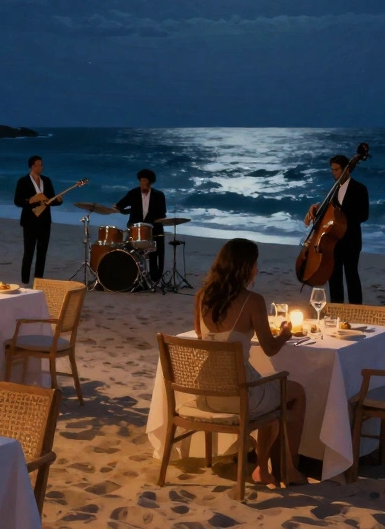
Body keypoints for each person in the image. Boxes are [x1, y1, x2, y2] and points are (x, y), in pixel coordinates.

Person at [193, 238, 306, 486]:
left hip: (205, 392)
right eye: (255, 263)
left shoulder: (201, 297)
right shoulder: (252, 301)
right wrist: (285, 334)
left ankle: (267, 468)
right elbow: (270, 349)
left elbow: (203, 339)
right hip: (238, 393)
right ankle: (285, 468)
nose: (257, 269)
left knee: (272, 397)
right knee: (295, 392)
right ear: (245, 267)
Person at [304, 155, 369, 305]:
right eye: (332, 170)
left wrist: (341, 214)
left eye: (337, 170)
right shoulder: (333, 190)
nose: (334, 173)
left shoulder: (359, 188)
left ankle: (355, 309)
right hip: (333, 240)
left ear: (346, 168)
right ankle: (336, 308)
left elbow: (364, 215)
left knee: (351, 275)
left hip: (351, 240)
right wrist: (316, 208)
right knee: (334, 276)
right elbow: (328, 212)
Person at [13, 155, 62, 285]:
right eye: (39, 165)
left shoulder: (46, 180)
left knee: (42, 252)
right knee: (29, 251)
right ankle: (24, 280)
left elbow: (51, 199)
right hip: (29, 221)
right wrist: (29, 200)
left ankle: (38, 280)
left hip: (45, 221)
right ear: (32, 166)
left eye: (42, 165)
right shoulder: (23, 181)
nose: (41, 167)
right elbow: (17, 200)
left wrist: (58, 200)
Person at [116, 168, 166, 282]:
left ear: (150, 182)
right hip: (135, 228)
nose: (142, 183)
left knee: (154, 254)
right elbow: (119, 205)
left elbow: (162, 213)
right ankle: (132, 276)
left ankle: (154, 278)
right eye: (141, 181)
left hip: (153, 229)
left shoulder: (159, 195)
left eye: (144, 181)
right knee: (131, 251)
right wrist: (131, 211)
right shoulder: (133, 193)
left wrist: (153, 221)